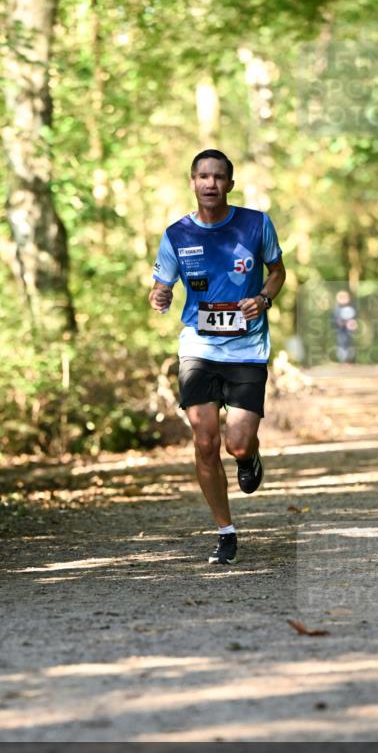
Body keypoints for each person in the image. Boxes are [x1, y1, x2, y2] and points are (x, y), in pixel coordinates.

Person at [149, 149, 286, 564]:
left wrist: (262, 298)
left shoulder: (256, 224)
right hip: (199, 348)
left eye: (218, 176)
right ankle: (225, 532)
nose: (210, 183)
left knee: (236, 444)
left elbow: (278, 271)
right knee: (205, 441)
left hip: (247, 349)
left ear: (230, 183)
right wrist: (160, 295)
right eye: (202, 176)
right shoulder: (176, 235)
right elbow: (159, 286)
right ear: (192, 183)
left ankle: (250, 456)